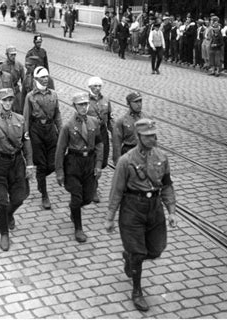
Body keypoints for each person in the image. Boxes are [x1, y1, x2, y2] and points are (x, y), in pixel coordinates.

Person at [106, 118, 178, 312]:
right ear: (138, 137)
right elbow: (117, 190)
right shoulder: (126, 160)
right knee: (139, 252)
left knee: (156, 249)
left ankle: (130, 258)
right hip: (132, 209)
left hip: (154, 208)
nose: (153, 139)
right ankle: (137, 291)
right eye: (148, 136)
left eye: (154, 135)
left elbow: (167, 184)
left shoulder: (161, 157)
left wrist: (171, 211)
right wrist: (110, 217)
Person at [0, 88, 34, 251]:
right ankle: (4, 233)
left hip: (17, 162)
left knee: (19, 197)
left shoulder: (20, 119)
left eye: (10, 100)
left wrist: (30, 164)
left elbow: (26, 142)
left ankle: (8, 214)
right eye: (4, 100)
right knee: (1, 200)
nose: (8, 103)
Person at [55, 92, 103, 243]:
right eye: (80, 105)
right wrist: (60, 172)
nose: (83, 107)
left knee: (88, 197)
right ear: (74, 106)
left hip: (89, 162)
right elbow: (60, 149)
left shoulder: (94, 122)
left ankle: (74, 209)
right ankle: (78, 228)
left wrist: (98, 164)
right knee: (76, 196)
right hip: (73, 163)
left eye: (85, 104)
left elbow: (99, 143)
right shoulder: (68, 126)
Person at [23, 66, 61, 210]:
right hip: (36, 131)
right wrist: (26, 135)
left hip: (51, 130)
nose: (46, 80)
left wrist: (62, 131)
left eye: (47, 77)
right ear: (36, 79)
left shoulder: (53, 94)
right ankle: (44, 194)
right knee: (41, 164)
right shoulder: (30, 96)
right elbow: (26, 117)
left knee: (52, 163)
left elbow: (57, 114)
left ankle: (40, 179)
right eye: (43, 78)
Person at [86, 77, 112, 203]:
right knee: (93, 160)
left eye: (99, 86)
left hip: (102, 132)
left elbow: (110, 118)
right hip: (90, 134)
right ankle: (93, 187)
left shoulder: (106, 100)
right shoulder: (85, 101)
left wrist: (116, 133)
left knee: (103, 160)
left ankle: (93, 183)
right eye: (95, 86)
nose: (97, 88)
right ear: (89, 87)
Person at [112, 92, 148, 165]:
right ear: (129, 104)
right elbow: (116, 143)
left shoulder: (147, 118)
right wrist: (117, 160)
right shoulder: (122, 121)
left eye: (140, 101)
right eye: (136, 102)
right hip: (129, 152)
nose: (139, 104)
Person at [2, 46, 25, 114]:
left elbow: (23, 80)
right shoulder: (2, 66)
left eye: (14, 54)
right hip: (6, 90)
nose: (13, 56)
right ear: (7, 55)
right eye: (11, 55)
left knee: (20, 108)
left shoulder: (19, 65)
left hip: (16, 90)